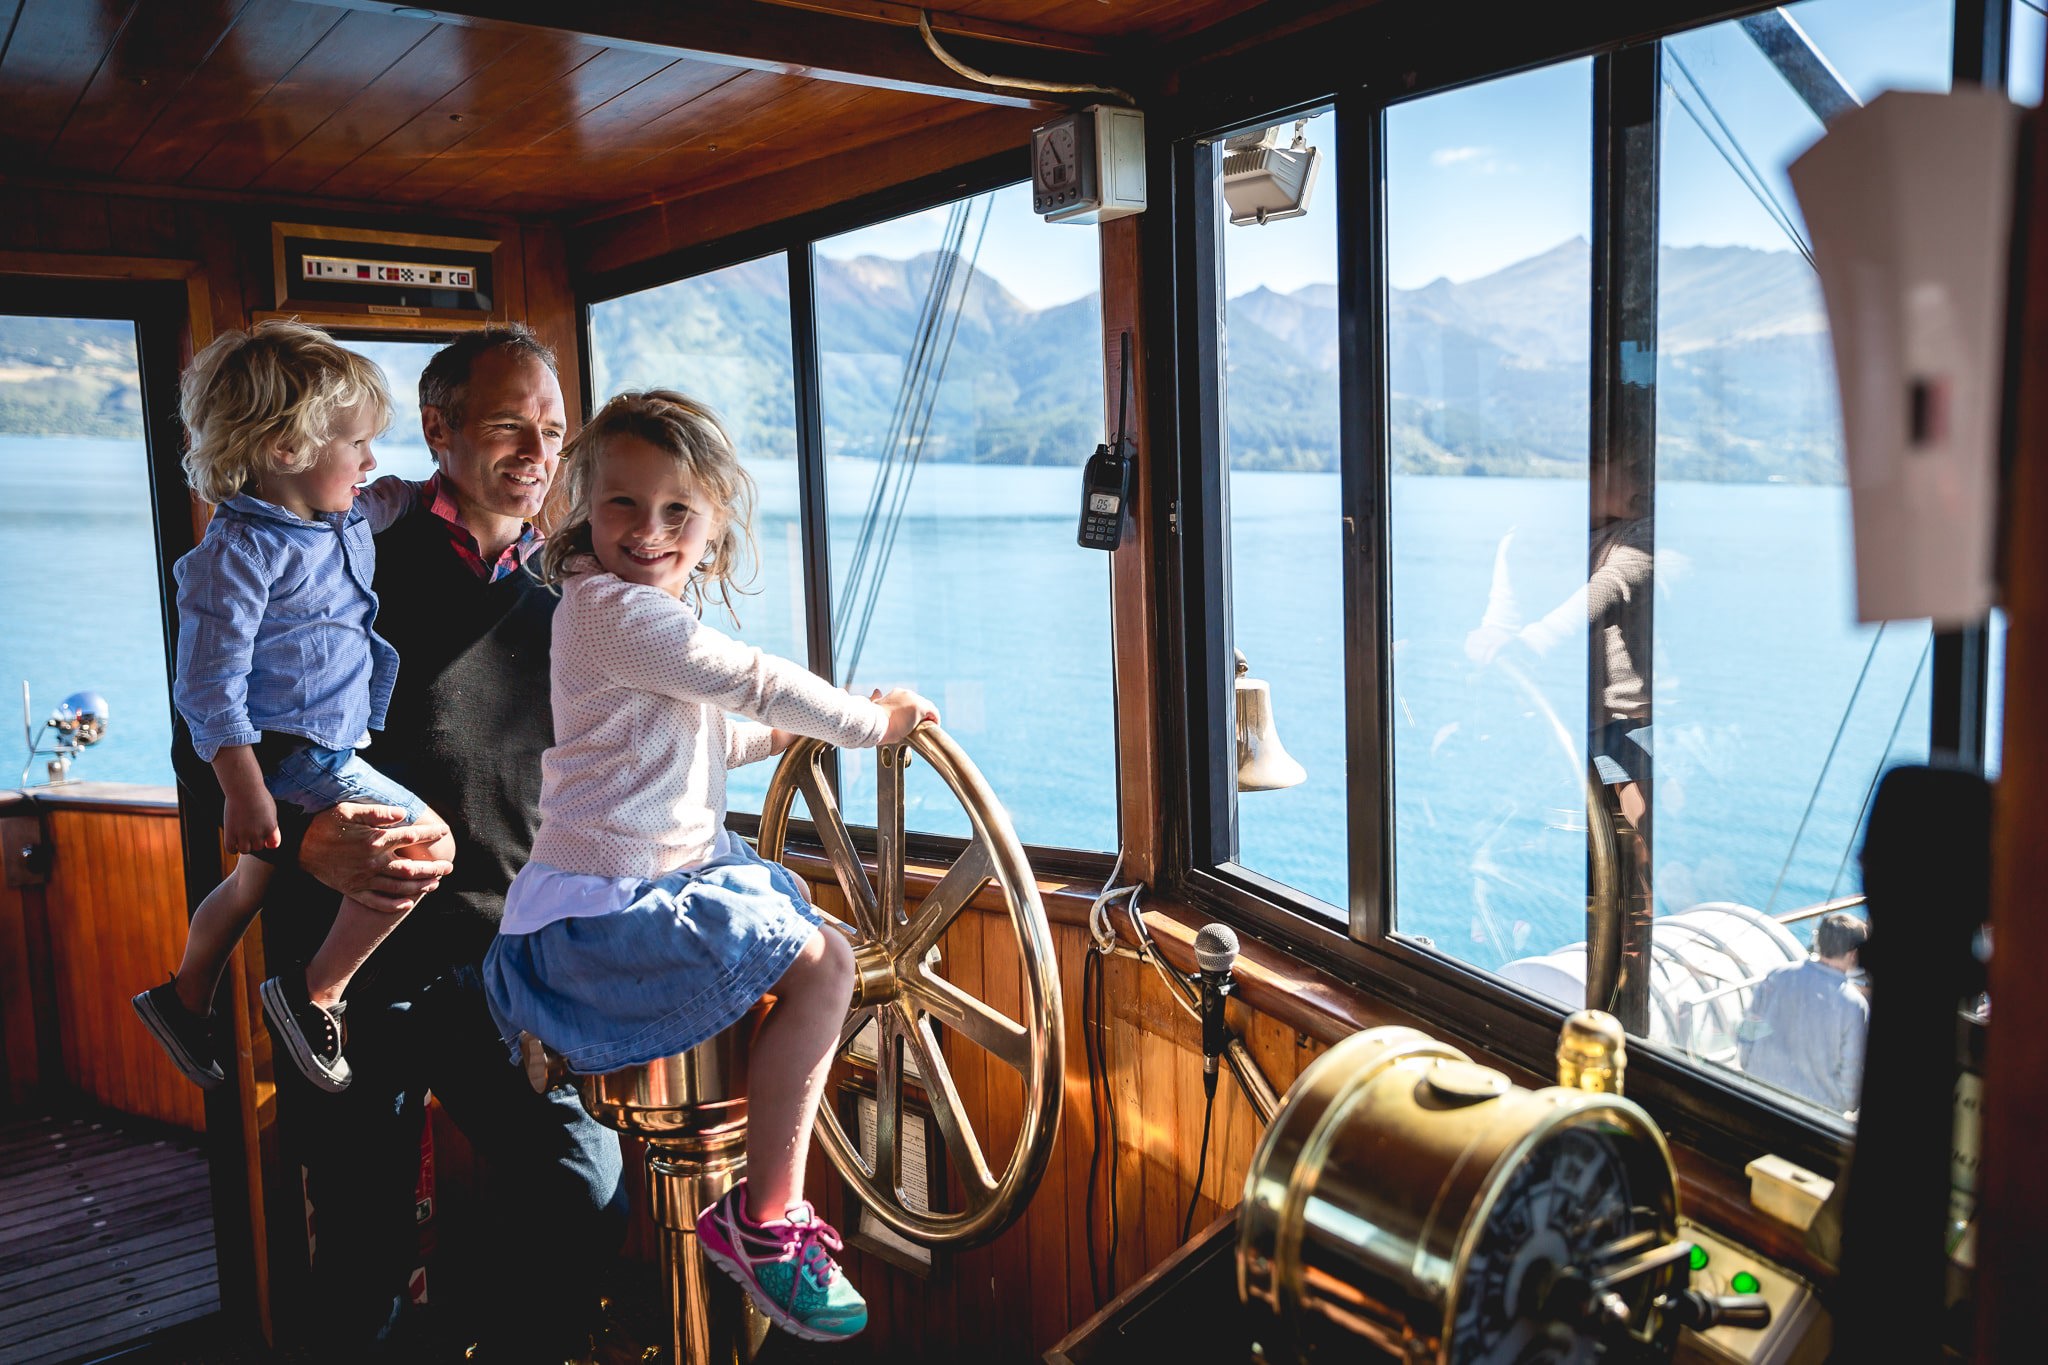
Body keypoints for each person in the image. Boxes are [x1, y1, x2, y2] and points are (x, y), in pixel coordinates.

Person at [171, 325, 626, 1363]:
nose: (536, 448)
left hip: (498, 971)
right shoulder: (347, 545)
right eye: (511, 422)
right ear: (440, 429)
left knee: (581, 1192)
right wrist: (307, 844)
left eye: (552, 429)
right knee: (361, 1267)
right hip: (347, 981)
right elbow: (204, 728)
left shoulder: (565, 594)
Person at [481, 390, 938, 1344]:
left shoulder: (622, 620)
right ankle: (764, 1222)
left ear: (715, 525)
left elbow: (694, 737)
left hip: (630, 889)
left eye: (678, 511)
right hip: (611, 911)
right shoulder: (611, 613)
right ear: (583, 504)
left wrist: (783, 733)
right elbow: (755, 677)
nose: (649, 531)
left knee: (808, 947)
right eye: (622, 506)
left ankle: (739, 1199)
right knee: (831, 963)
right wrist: (872, 725)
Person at [134, 320, 456, 1095]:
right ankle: (315, 993)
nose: (370, 460)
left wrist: (431, 488)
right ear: (286, 450)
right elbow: (207, 686)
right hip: (293, 753)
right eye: (355, 444)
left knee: (250, 884)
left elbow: (383, 500)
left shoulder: (336, 517)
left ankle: (183, 998)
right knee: (426, 843)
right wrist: (243, 788)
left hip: (319, 745)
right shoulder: (237, 554)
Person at [1738, 911, 1870, 1114]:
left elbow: (1748, 1032)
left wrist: (1751, 1069)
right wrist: (1845, 1104)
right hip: (1812, 1117)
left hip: (1759, 1096)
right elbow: (1851, 1077)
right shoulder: (1853, 1004)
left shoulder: (1778, 975)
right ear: (1853, 954)